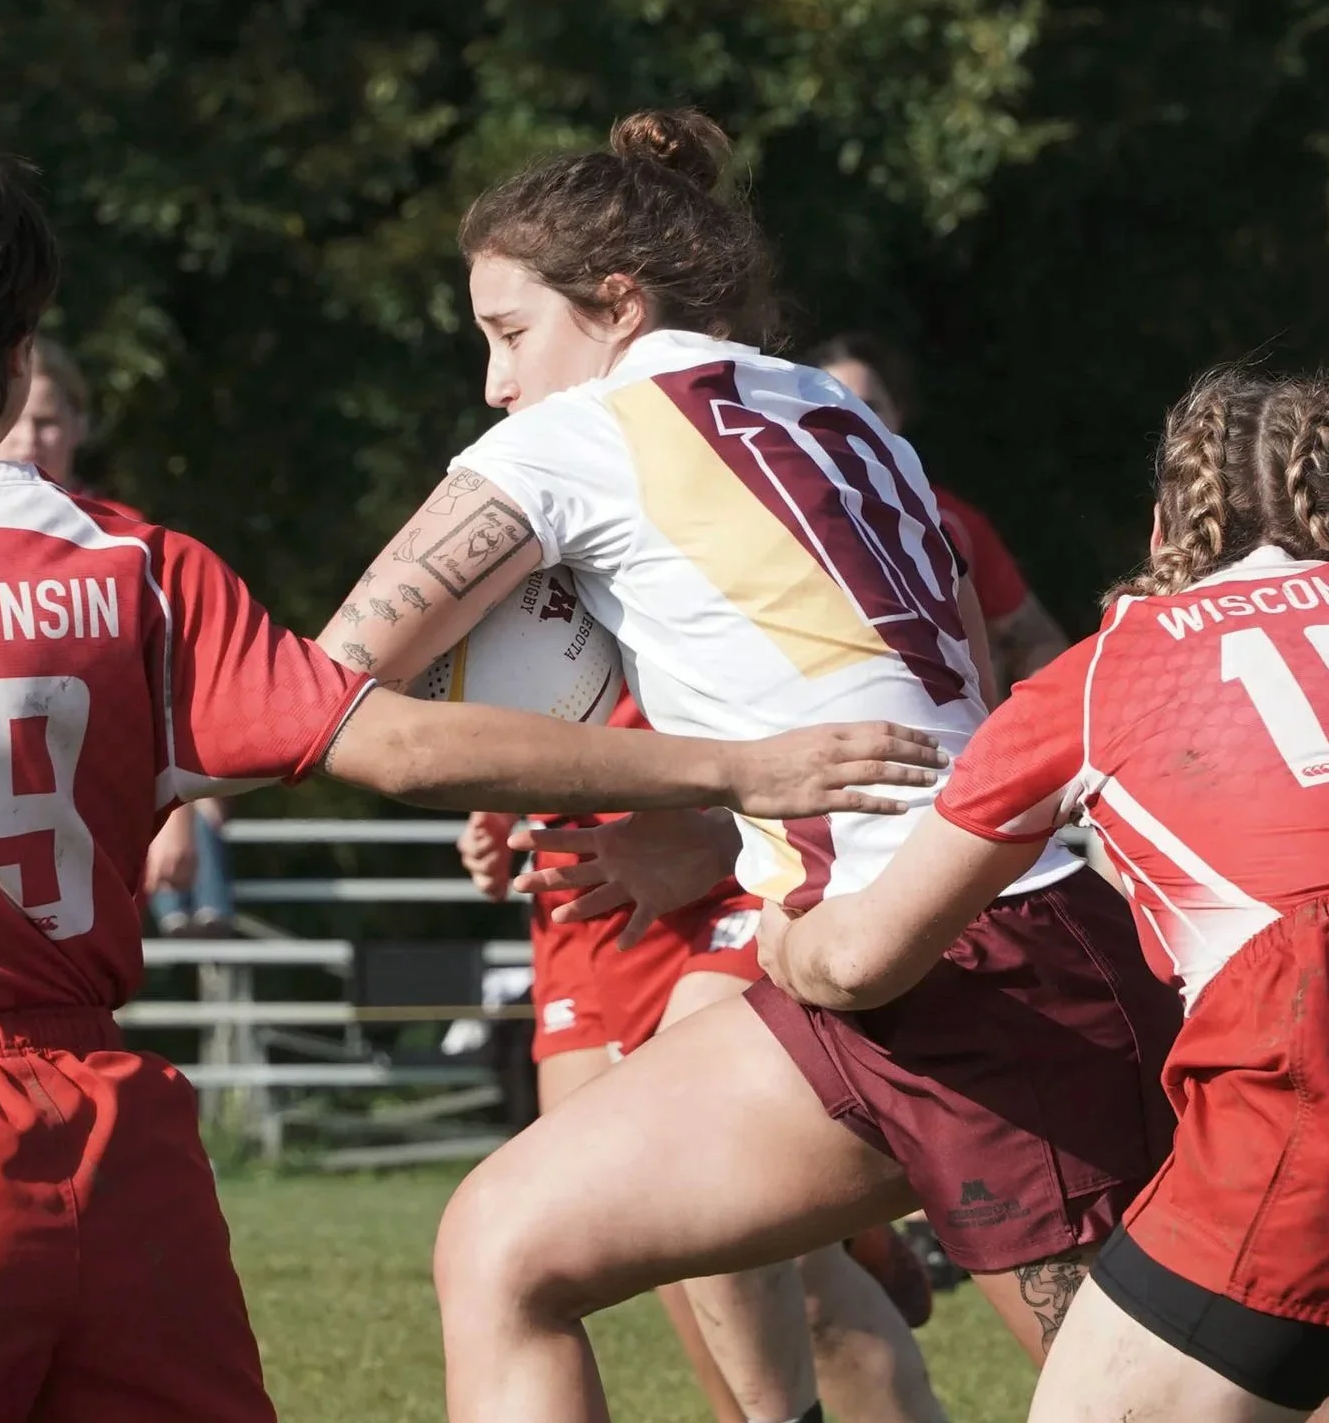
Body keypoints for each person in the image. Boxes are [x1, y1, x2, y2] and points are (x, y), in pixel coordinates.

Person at [0, 107, 942, 1423]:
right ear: (17, 360)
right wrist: (739, 767)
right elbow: (396, 743)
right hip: (120, 1155)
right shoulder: (134, 571)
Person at [317, 106, 1183, 1423]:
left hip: (975, 981)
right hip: (908, 956)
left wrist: (724, 773)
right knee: (503, 1244)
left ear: (612, 302)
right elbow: (932, 668)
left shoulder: (575, 433)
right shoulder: (839, 411)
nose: (494, 383)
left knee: (1188, 1405)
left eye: (508, 335)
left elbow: (338, 698)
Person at [765, 366, 1329, 1421]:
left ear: (1165, 523)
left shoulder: (1106, 673)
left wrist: (784, 938)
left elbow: (862, 960)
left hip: (1299, 1074)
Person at [458, 699, 941, 1423]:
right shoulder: (493, 595)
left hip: (724, 851)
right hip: (581, 883)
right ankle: (845, 1239)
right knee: (651, 1236)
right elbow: (513, 680)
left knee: (740, 1224)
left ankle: (845, 1229)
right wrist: (491, 801)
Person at [0, 337, 230, 935]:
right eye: (15, 420)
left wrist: (179, 809)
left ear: (79, 425)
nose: (30, 440)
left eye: (47, 421)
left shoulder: (125, 540)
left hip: (103, 806)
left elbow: (171, 681)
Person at [804, 331, 1069, 692]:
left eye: (871, 407)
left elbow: (1036, 639)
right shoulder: (779, 523)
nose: (856, 423)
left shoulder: (953, 521)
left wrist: (1023, 722)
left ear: (898, 412)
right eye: (836, 412)